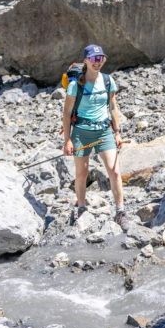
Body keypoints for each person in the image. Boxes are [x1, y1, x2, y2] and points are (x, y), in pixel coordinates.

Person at [62, 44, 127, 229]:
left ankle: (120, 211)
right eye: (93, 59)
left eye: (101, 58)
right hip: (81, 132)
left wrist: (117, 132)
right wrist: (67, 140)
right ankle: (81, 207)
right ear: (86, 61)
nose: (97, 62)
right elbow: (66, 113)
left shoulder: (108, 81)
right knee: (82, 172)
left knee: (114, 171)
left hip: (104, 131)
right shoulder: (75, 85)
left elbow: (113, 107)